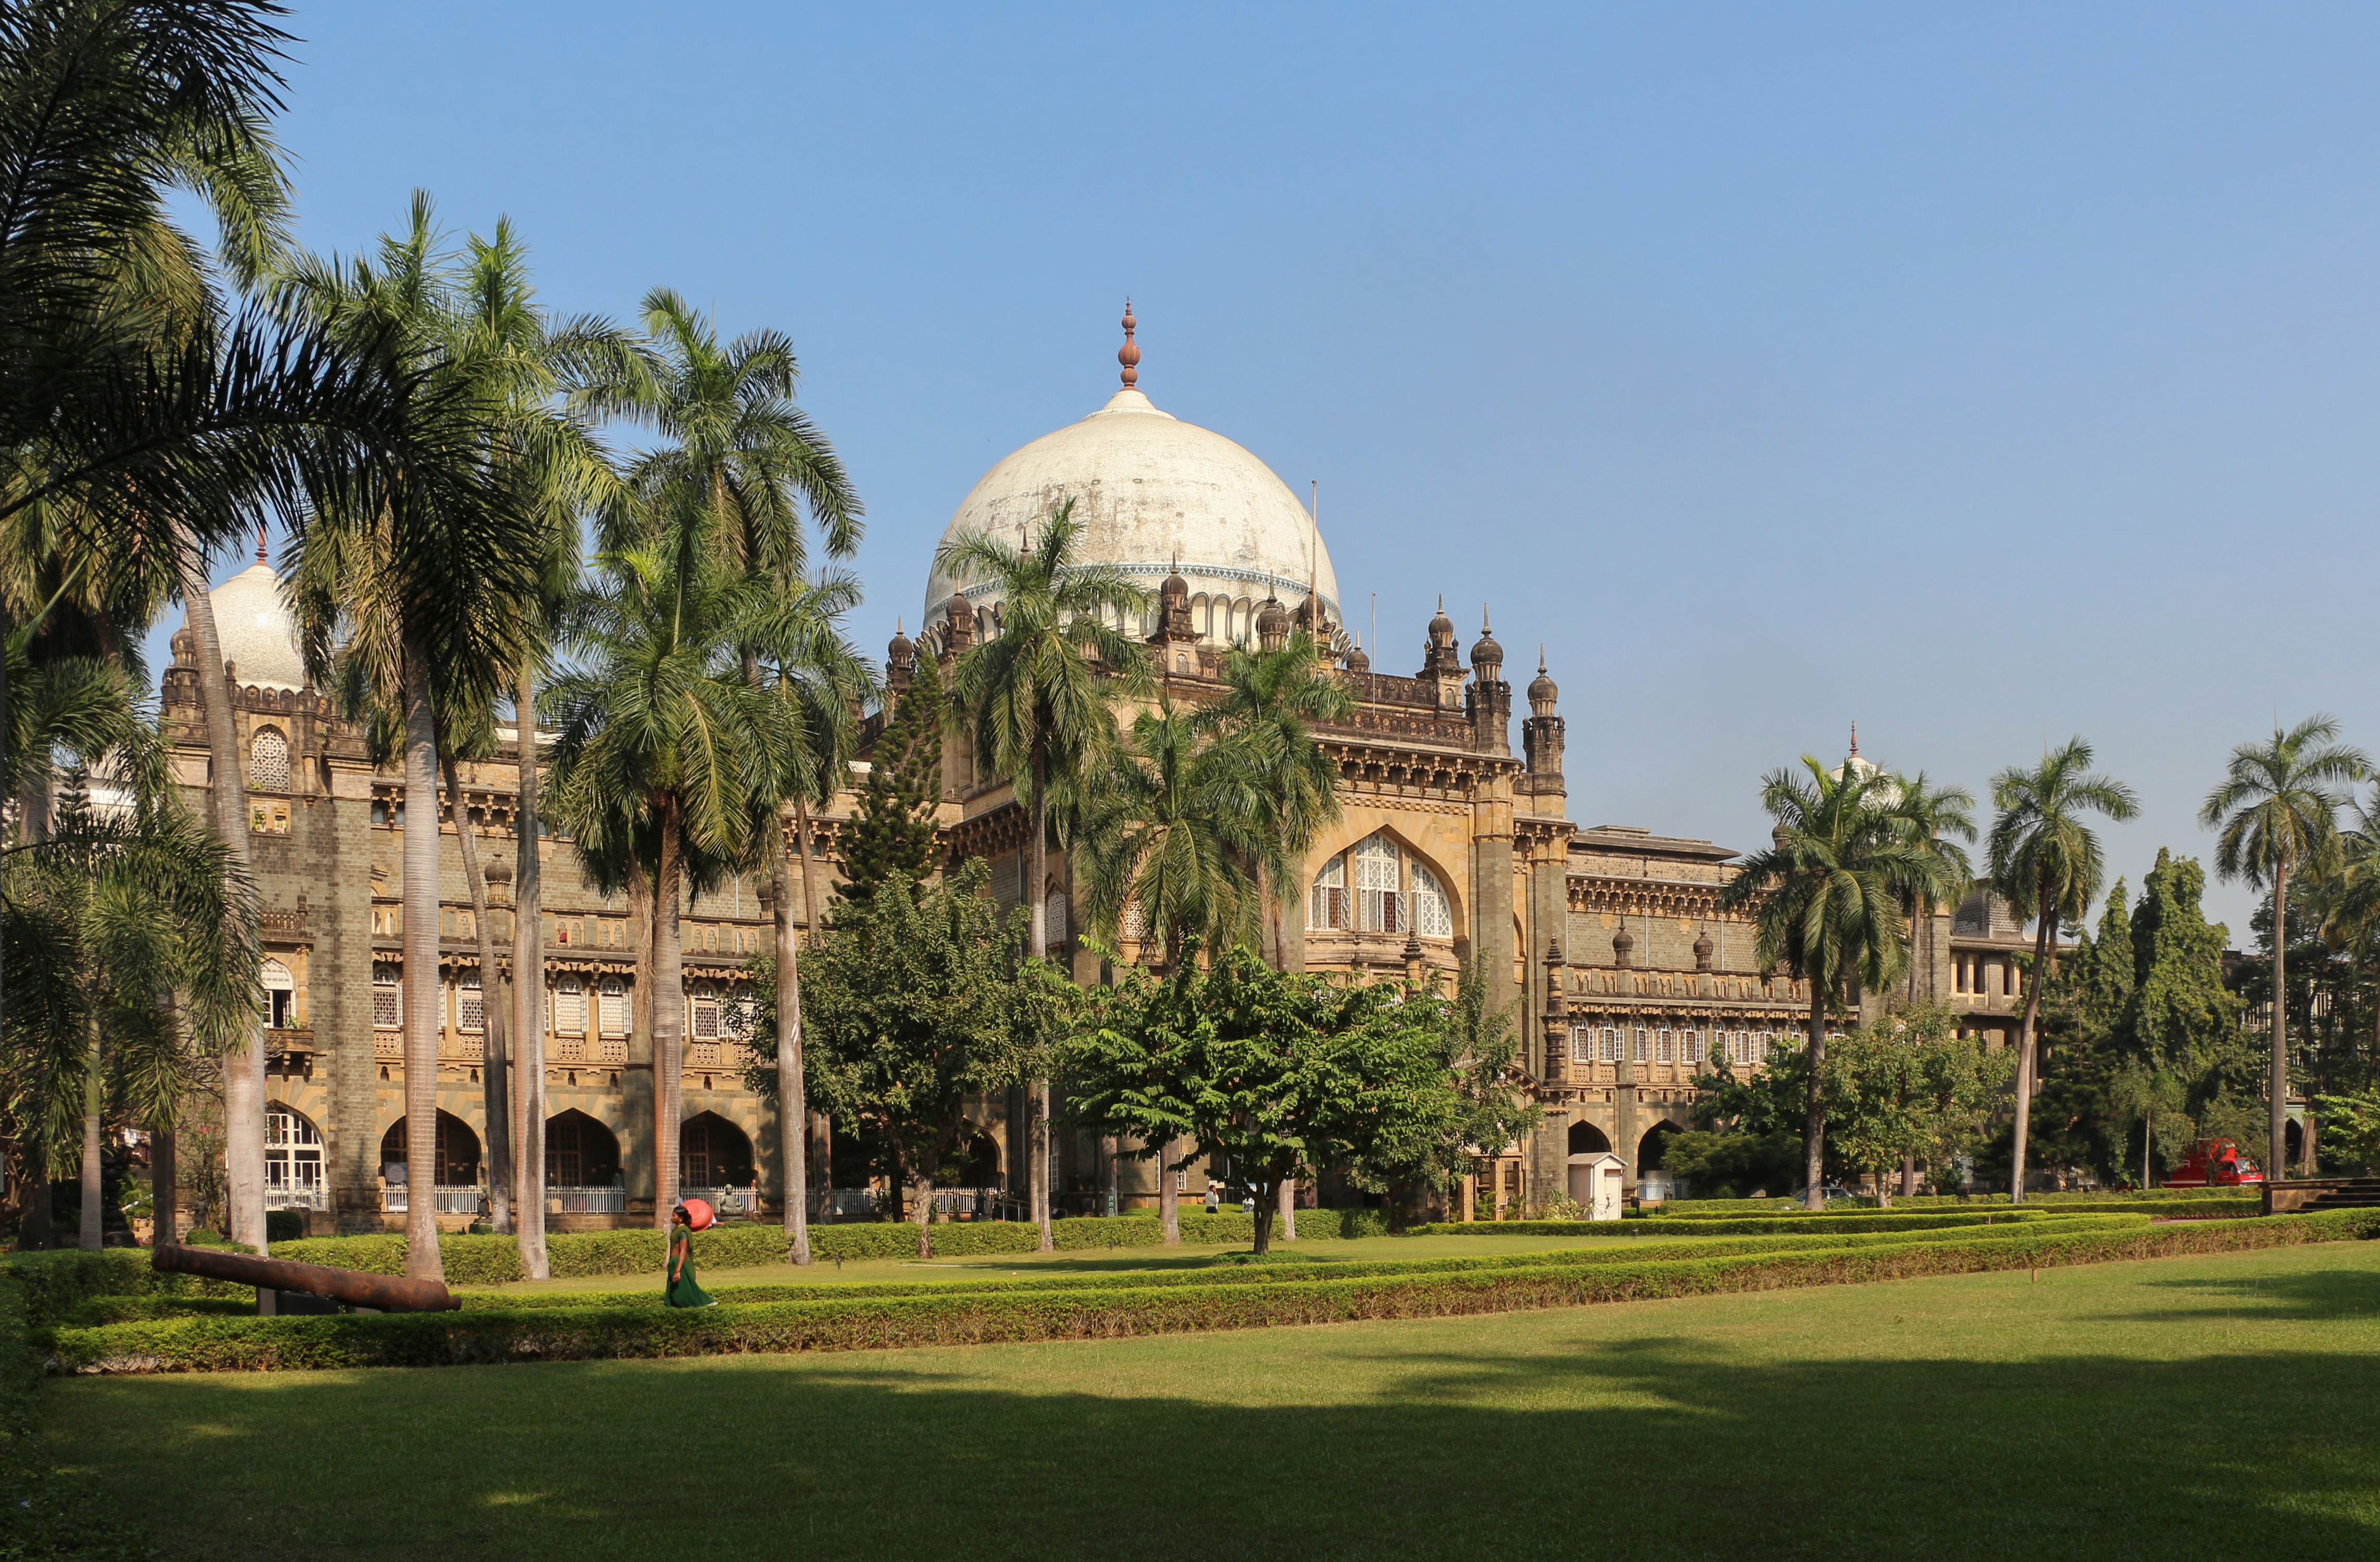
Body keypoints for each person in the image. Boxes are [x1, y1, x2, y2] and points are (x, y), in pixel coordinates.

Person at [664, 1204, 716, 1308]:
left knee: (686, 1293)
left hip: (681, 1263)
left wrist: (678, 1271)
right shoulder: (678, 1230)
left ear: (681, 1218)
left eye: (674, 1216)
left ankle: (706, 1302)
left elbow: (683, 1251)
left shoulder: (683, 1232)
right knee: (675, 1294)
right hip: (674, 1262)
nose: (671, 1218)